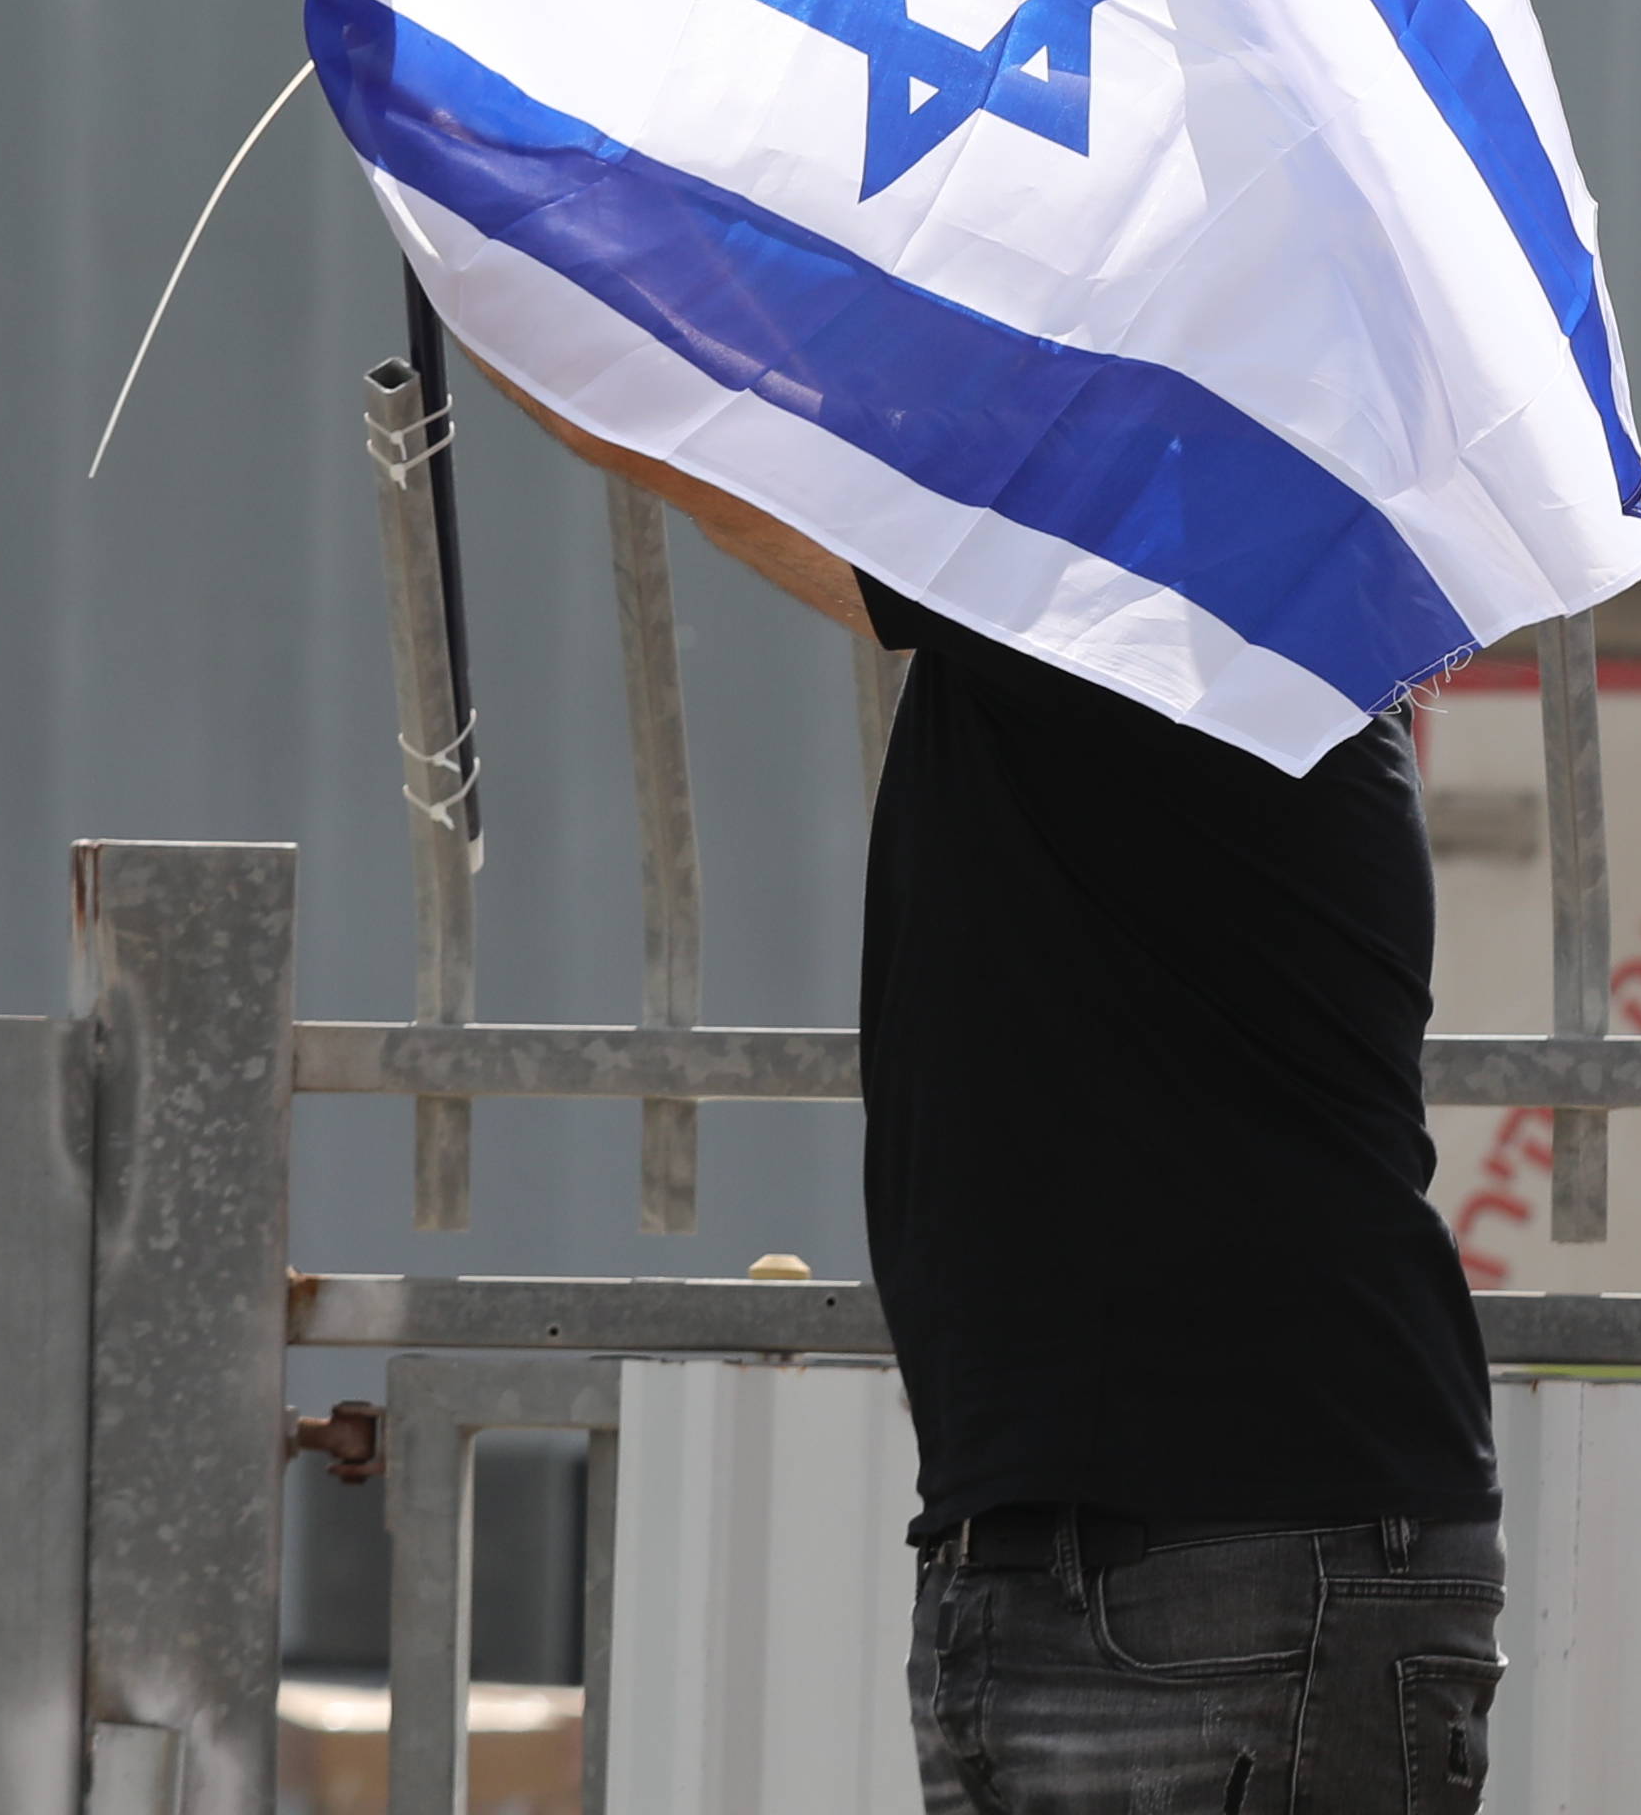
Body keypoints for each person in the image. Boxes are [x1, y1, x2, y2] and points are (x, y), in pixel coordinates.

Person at [507, 382, 1504, 1815]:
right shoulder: (1136, 618)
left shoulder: (1177, 607)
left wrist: (499, 240)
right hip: (1082, 1559)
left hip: (1241, 1576)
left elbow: (744, 470)